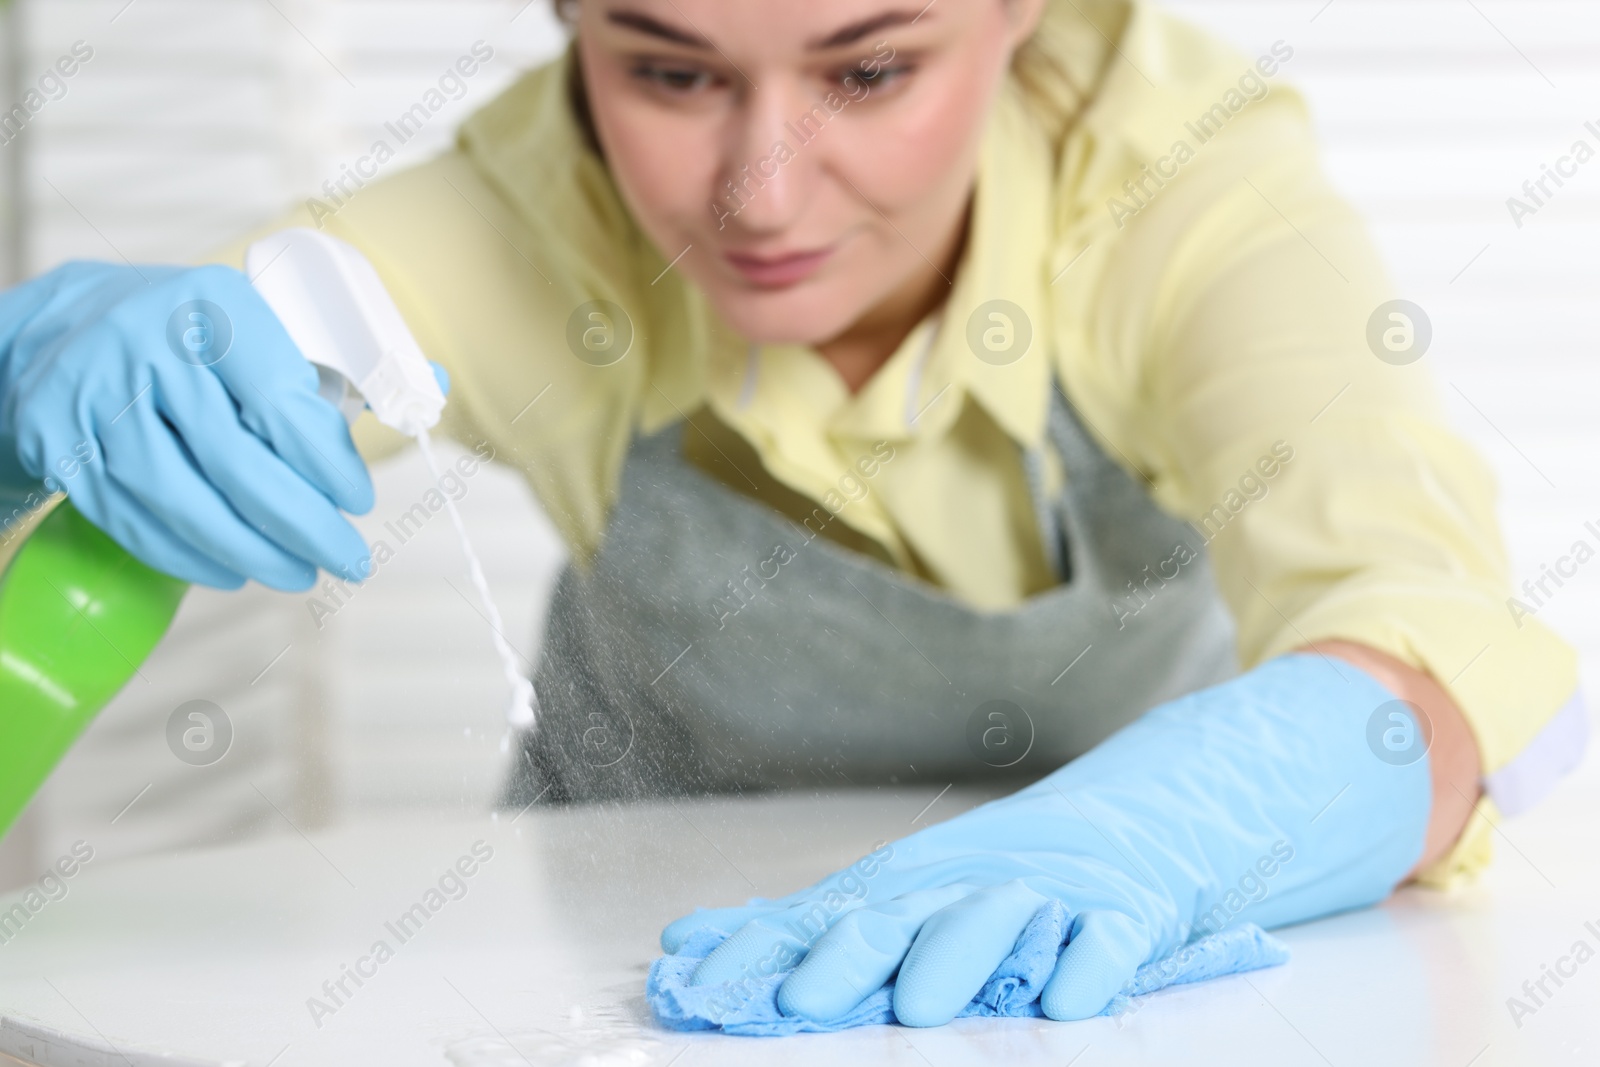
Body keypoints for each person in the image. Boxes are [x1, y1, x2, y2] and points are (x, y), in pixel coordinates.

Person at [0, 0, 1584, 1029]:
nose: (762, 192)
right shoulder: (529, 220)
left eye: (871, 69)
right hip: (611, 999)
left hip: (1105, 996)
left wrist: (1184, 828)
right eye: (668, 70)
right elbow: (249, 338)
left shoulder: (1167, 181)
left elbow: (1433, 644)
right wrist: (34, 403)